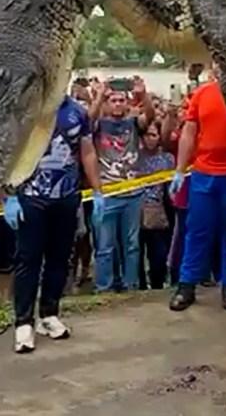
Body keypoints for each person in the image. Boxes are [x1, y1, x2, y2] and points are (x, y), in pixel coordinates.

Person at [4, 94, 103, 354]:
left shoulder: (77, 112)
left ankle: (49, 313)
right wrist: (10, 195)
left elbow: (87, 151)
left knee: (60, 258)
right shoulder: (25, 107)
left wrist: (98, 190)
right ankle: (23, 322)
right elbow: (10, 151)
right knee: (29, 259)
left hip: (67, 196)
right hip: (32, 196)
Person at [169, 62, 226, 312]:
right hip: (204, 174)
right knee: (197, 231)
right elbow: (189, 133)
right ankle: (187, 285)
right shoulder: (203, 94)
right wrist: (180, 170)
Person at [88, 80, 155, 293]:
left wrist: (144, 95)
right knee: (104, 247)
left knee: (132, 246)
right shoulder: (99, 125)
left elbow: (150, 117)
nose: (117, 104)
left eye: (121, 100)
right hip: (107, 194)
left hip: (132, 194)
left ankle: (131, 286)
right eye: (113, 100)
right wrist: (99, 97)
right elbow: (87, 122)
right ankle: (104, 288)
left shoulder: (133, 123)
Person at [136, 121, 175, 290]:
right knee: (136, 254)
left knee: (158, 255)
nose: (149, 139)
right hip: (135, 211)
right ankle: (140, 286)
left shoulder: (167, 159)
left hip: (158, 212)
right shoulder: (133, 157)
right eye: (146, 135)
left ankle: (158, 284)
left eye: (154, 135)